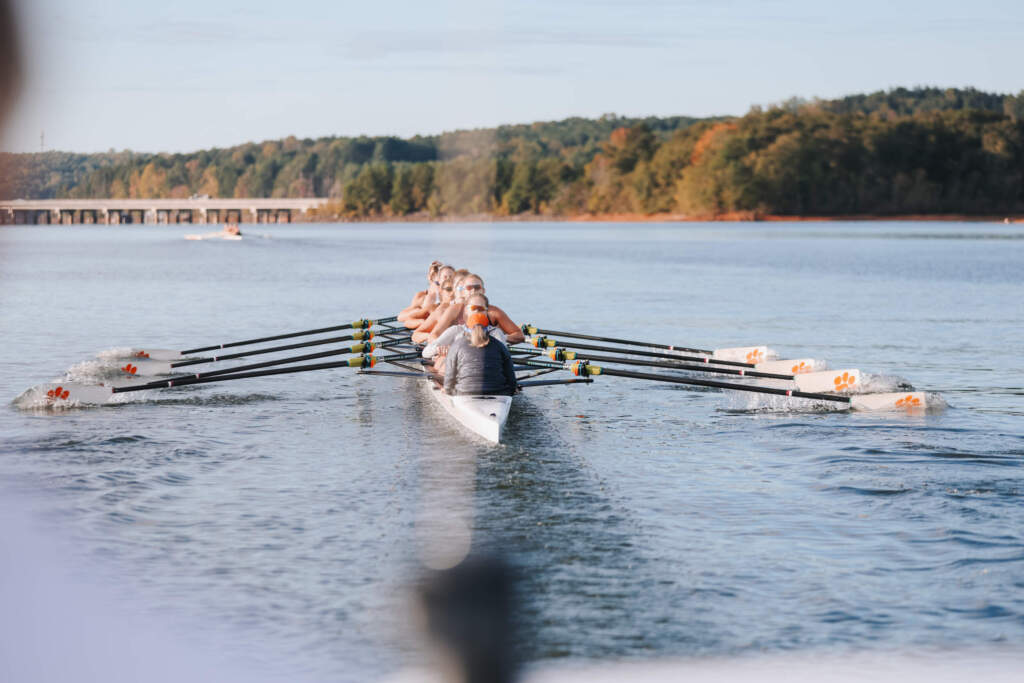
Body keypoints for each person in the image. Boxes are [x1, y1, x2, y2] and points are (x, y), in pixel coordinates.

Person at [442, 300, 518, 397]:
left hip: (464, 393)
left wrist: (448, 390)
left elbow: (450, 375)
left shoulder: (457, 345)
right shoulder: (499, 345)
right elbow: (510, 375)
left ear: (466, 328)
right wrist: (511, 390)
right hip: (499, 393)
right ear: (489, 328)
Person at [427, 272, 525, 345]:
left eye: (477, 287)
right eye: (469, 288)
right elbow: (433, 335)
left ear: (483, 290)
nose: (473, 290)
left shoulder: (493, 312)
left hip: (486, 348)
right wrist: (442, 347)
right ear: (463, 291)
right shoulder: (454, 310)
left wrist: (500, 338)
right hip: (456, 349)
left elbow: (519, 335)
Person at [422, 294, 506, 376]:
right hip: (458, 374)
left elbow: (504, 359)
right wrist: (438, 350)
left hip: (485, 373)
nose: (477, 312)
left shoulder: (495, 333)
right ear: (466, 310)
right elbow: (426, 352)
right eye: (473, 308)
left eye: (481, 309)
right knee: (442, 359)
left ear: (486, 312)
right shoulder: (456, 330)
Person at [410, 267, 456, 341]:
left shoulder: (466, 306)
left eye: (456, 289)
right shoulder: (434, 307)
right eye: (448, 289)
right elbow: (406, 319)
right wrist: (421, 322)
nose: (452, 292)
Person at [404, 264, 454, 329]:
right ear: (439, 279)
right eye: (445, 277)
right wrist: (422, 322)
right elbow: (407, 320)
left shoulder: (460, 294)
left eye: (451, 277)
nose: (448, 279)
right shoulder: (431, 298)